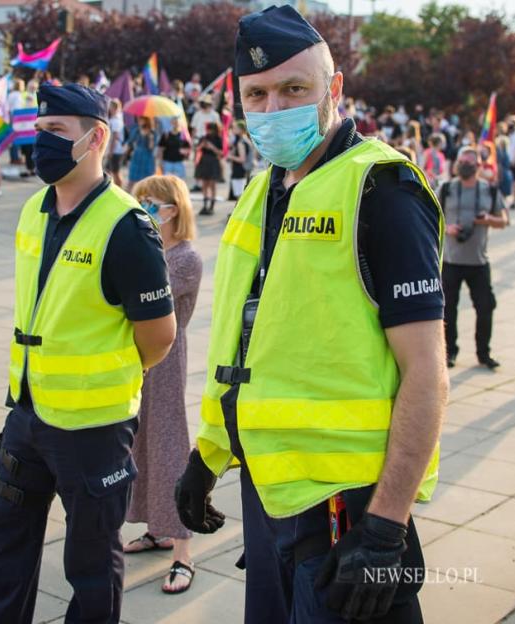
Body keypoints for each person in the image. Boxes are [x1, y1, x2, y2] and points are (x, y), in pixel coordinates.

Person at [175, 7, 447, 623]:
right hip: (272, 497)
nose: (274, 109)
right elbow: (245, 345)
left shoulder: (382, 188)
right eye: (257, 94)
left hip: (349, 511)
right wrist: (208, 454)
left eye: (295, 89)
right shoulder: (260, 190)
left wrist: (384, 526)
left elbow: (426, 373)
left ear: (336, 88)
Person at [0, 83, 176, 624]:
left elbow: (158, 336)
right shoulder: (32, 211)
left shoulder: (127, 226)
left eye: (56, 132)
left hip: (93, 429)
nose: (40, 142)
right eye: (38, 130)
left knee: (90, 566)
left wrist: (100, 376)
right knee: (6, 550)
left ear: (96, 138)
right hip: (27, 413)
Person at [126, 175, 202, 595]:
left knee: (170, 446)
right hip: (138, 360)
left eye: (149, 202)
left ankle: (183, 552)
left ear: (172, 209)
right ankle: (158, 529)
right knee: (140, 445)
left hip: (167, 362)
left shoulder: (185, 258)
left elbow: (142, 298)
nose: (143, 208)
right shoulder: (152, 248)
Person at [440, 146, 508, 370]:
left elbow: (504, 220)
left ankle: (483, 353)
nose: (465, 164)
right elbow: (432, 217)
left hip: (478, 261)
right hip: (451, 260)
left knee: (485, 307)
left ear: (479, 166)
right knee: (448, 309)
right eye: (462, 160)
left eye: (470, 161)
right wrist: (447, 228)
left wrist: (487, 218)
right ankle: (449, 352)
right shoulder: (446, 188)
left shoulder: (489, 190)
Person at [194, 122, 223, 215]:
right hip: (204, 162)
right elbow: (197, 149)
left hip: (213, 162)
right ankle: (205, 204)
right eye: (208, 129)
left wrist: (212, 147)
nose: (209, 131)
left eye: (211, 129)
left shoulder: (218, 139)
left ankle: (212, 206)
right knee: (204, 184)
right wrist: (201, 146)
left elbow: (221, 153)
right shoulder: (204, 138)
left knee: (212, 184)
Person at [125, 116, 158, 191]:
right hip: (137, 156)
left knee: (147, 180)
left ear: (147, 121)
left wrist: (151, 138)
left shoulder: (152, 132)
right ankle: (129, 195)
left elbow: (151, 147)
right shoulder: (136, 130)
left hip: (147, 157)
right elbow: (130, 141)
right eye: (139, 120)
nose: (139, 121)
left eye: (141, 120)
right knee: (132, 179)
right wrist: (126, 155)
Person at [227, 121, 254, 201]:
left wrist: (230, 156)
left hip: (239, 169)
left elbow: (242, 159)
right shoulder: (246, 140)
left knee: (239, 194)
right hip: (245, 170)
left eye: (236, 128)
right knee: (241, 193)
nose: (233, 130)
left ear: (241, 130)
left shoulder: (241, 142)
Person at [158, 116, 190, 180]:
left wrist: (185, 152)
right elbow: (161, 149)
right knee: (167, 181)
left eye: (177, 122)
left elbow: (188, 148)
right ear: (171, 123)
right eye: (174, 122)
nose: (176, 124)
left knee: (179, 181)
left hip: (179, 162)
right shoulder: (166, 135)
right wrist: (160, 162)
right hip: (168, 162)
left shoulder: (183, 135)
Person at [106, 98, 126, 187]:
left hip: (116, 150)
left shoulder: (116, 120)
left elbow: (115, 137)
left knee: (115, 172)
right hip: (116, 150)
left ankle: (119, 188)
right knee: (110, 170)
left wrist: (110, 151)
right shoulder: (116, 118)